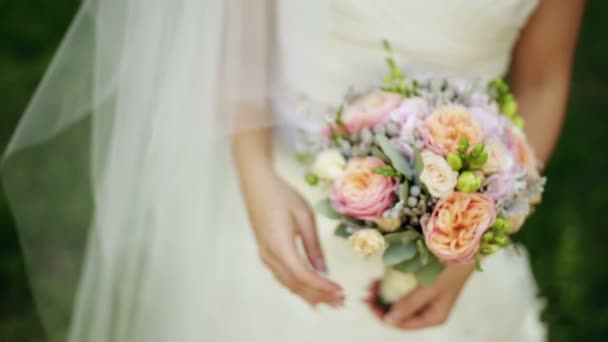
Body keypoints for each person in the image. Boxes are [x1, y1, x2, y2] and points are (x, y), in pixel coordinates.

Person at [2, 0, 584, 341]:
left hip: (453, 240)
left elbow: (541, 79)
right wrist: (255, 175)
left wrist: (479, 238)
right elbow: (239, 26)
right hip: (285, 203)